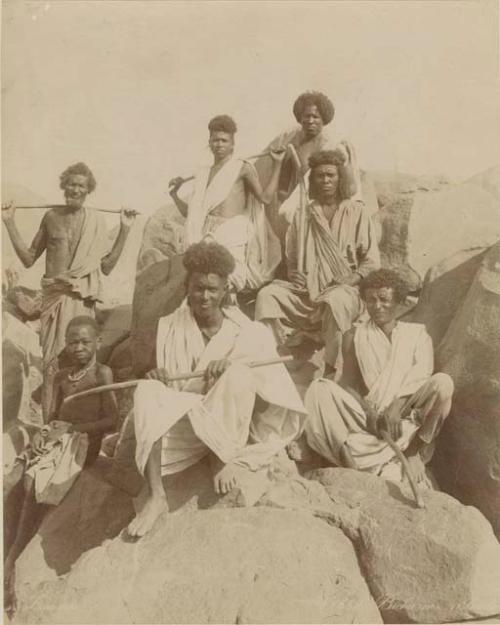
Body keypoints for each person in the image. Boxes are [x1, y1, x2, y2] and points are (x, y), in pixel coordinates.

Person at [126, 241, 306, 538]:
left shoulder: (251, 333)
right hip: (184, 426)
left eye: (212, 289)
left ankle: (219, 459)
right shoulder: (169, 326)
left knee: (238, 374)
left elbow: (271, 399)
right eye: (198, 288)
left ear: (225, 291)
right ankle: (157, 495)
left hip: (228, 432)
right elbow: (166, 391)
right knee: (146, 390)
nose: (205, 296)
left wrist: (229, 372)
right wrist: (157, 376)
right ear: (187, 287)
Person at [3, 315, 118, 616]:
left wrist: (73, 430)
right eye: (72, 342)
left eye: (84, 342)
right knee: (16, 479)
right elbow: (51, 418)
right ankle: (12, 548)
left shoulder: (102, 374)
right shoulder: (62, 376)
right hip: (59, 440)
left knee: (33, 483)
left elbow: (112, 419)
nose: (77, 347)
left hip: (82, 442)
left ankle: (13, 559)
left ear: (97, 343)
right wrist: (46, 431)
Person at [1, 162, 136, 417]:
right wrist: (9, 222)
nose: (75, 190)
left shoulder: (96, 221)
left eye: (81, 186)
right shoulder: (51, 217)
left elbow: (106, 266)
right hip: (54, 299)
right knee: (52, 365)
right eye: (71, 184)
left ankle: (70, 423)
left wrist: (125, 229)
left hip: (81, 301)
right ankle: (47, 425)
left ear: (88, 191)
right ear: (64, 186)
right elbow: (29, 259)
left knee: (77, 362)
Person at [304, 269, 454, 483]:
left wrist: (395, 407)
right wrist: (368, 411)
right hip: (370, 416)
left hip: (403, 414)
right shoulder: (354, 335)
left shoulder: (417, 334)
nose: (377, 306)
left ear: (399, 301)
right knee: (319, 388)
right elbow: (347, 384)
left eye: (384, 299)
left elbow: (422, 375)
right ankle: (349, 463)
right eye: (371, 300)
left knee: (443, 383)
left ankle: (413, 452)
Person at [255, 150, 380, 376]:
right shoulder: (303, 215)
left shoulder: (357, 211)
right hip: (308, 293)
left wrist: (350, 279)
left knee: (334, 301)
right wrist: (294, 274)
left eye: (331, 175)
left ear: (340, 178)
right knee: (267, 296)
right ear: (313, 180)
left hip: (346, 291)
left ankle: (331, 369)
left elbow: (371, 262)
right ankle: (278, 357)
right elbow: (292, 258)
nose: (325, 180)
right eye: (320, 176)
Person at [168, 114, 286, 291]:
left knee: (227, 280)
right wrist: (175, 195)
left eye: (224, 140)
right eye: (215, 140)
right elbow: (191, 214)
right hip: (201, 236)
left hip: (230, 235)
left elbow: (266, 198)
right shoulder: (202, 173)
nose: (219, 145)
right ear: (209, 142)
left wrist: (278, 165)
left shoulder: (241, 168)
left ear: (232, 144)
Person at [254, 91, 361, 248]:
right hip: (283, 210)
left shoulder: (333, 146)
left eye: (315, 117)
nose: (310, 121)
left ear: (324, 118)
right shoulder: (289, 137)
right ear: (300, 117)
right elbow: (263, 165)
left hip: (317, 212)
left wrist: (344, 162)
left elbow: (351, 189)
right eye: (306, 116)